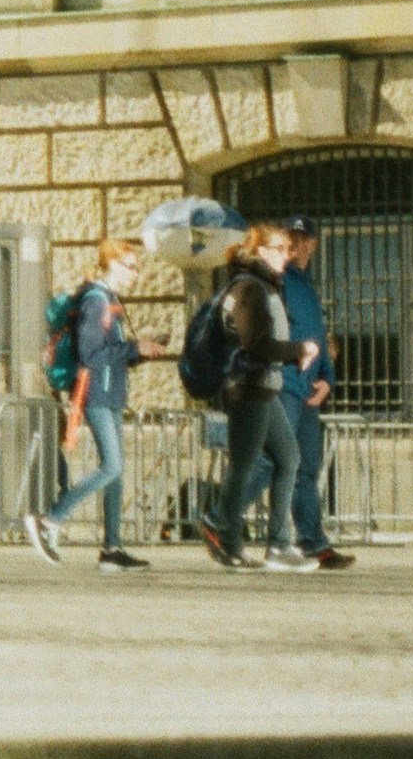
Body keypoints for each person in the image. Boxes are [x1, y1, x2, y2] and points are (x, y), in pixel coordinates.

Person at [25, 237, 168, 571]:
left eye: (137, 268)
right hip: (96, 394)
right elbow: (91, 355)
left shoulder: (109, 301)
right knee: (113, 467)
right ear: (111, 265)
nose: (136, 275)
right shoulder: (96, 301)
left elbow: (110, 355)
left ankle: (112, 548)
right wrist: (135, 349)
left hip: (109, 393)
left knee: (115, 473)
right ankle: (49, 520)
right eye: (130, 267)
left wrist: (140, 352)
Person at [197, 223, 324, 572]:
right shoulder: (249, 288)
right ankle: (229, 539)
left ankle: (276, 544)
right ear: (262, 251)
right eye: (281, 248)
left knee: (287, 458)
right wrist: (299, 349)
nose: (288, 254)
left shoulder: (266, 286)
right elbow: (256, 345)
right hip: (247, 389)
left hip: (264, 388)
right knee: (245, 464)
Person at [274, 218, 353, 572]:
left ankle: (313, 541)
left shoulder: (305, 286)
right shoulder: (278, 282)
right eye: (288, 238)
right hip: (286, 383)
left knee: (306, 465)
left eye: (300, 239)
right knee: (276, 461)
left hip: (307, 387)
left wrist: (327, 378)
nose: (293, 245)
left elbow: (318, 339)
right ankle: (222, 520)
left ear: (312, 245)